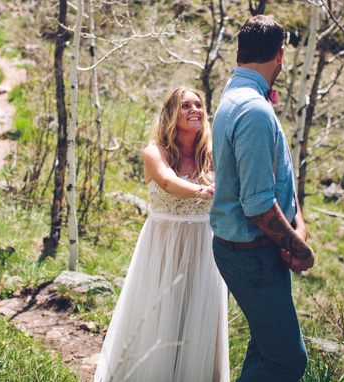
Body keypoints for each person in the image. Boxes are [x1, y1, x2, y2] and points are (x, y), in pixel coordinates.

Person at [94, 86, 229, 382]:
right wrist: (203, 191)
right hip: (163, 243)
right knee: (160, 313)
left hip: (204, 244)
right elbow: (168, 182)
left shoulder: (214, 153)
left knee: (198, 317)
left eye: (199, 104)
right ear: (171, 113)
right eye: (185, 106)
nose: (195, 110)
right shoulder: (155, 151)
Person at [210, 15, 315, 382]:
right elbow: (256, 204)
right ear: (281, 55)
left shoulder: (237, 96)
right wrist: (300, 248)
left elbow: (278, 178)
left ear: (239, 51)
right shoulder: (253, 110)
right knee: (286, 361)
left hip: (256, 250)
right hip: (252, 255)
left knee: (266, 349)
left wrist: (296, 226)